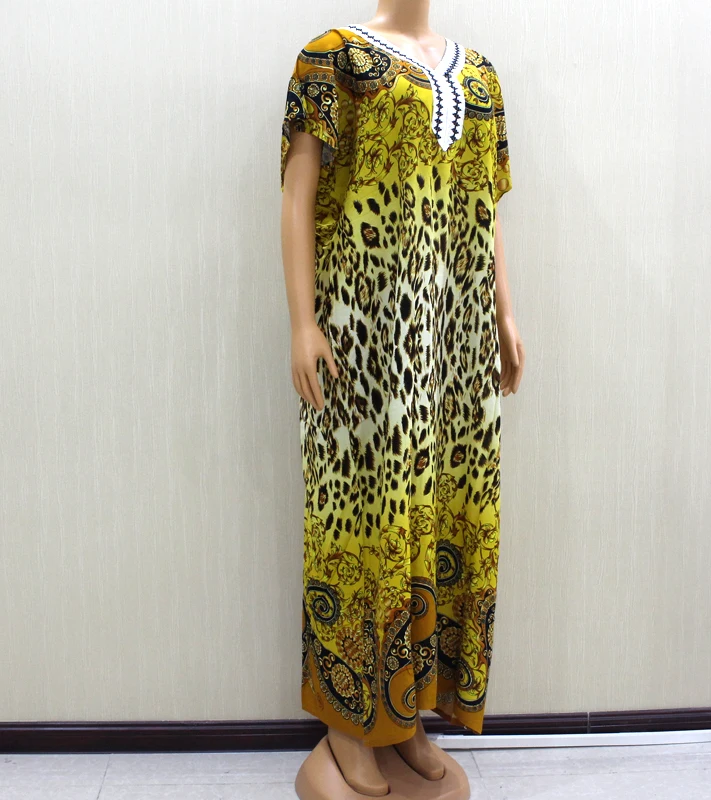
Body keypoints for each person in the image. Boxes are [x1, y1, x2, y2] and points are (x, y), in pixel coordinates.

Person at [280, 3, 524, 795]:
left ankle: (407, 717)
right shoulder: (333, 58)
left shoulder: (481, 77)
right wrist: (302, 323)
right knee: (362, 526)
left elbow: (488, 208)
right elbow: (296, 195)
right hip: (365, 342)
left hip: (454, 348)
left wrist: (504, 315)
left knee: (440, 518)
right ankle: (347, 723)